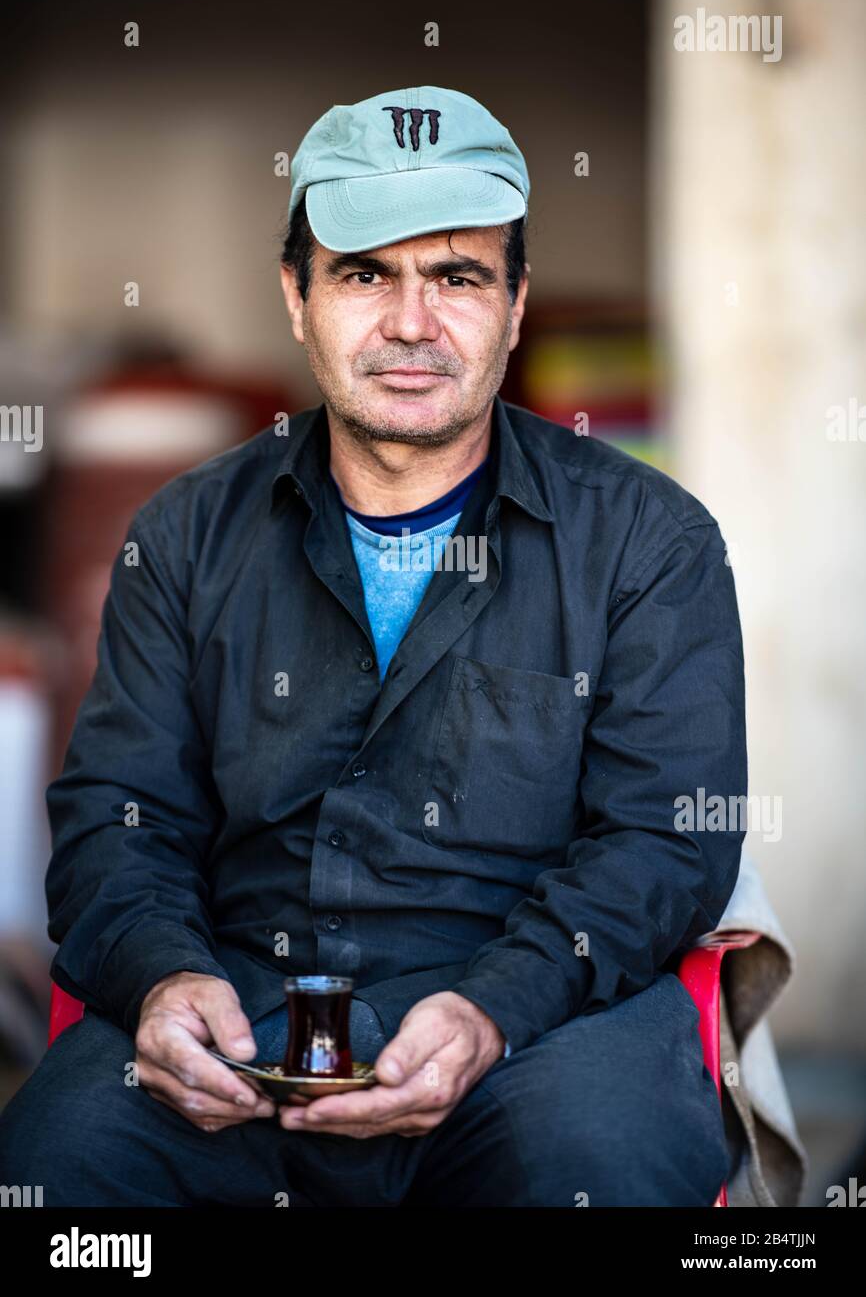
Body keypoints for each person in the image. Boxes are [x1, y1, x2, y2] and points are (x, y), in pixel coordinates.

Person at [0, 85, 745, 1206]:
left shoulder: (647, 541)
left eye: (456, 276)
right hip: (240, 1019)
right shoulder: (189, 533)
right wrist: (165, 978)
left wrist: (493, 1009)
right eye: (364, 273)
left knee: (599, 1165)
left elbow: (662, 843)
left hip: (540, 1026)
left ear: (514, 302)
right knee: (59, 1170)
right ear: (295, 297)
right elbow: (117, 813)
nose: (410, 321)